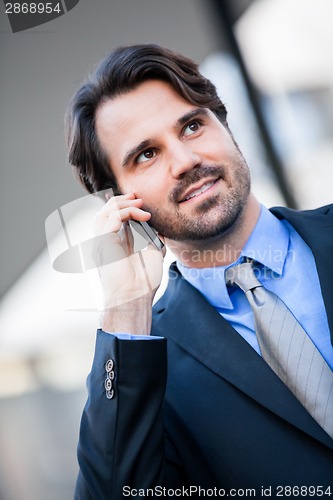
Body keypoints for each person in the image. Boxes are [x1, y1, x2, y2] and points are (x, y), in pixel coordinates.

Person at [66, 44, 333, 499]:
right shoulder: (144, 366)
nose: (185, 161)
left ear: (227, 129)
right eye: (146, 154)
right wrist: (126, 309)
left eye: (192, 126)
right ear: (119, 200)